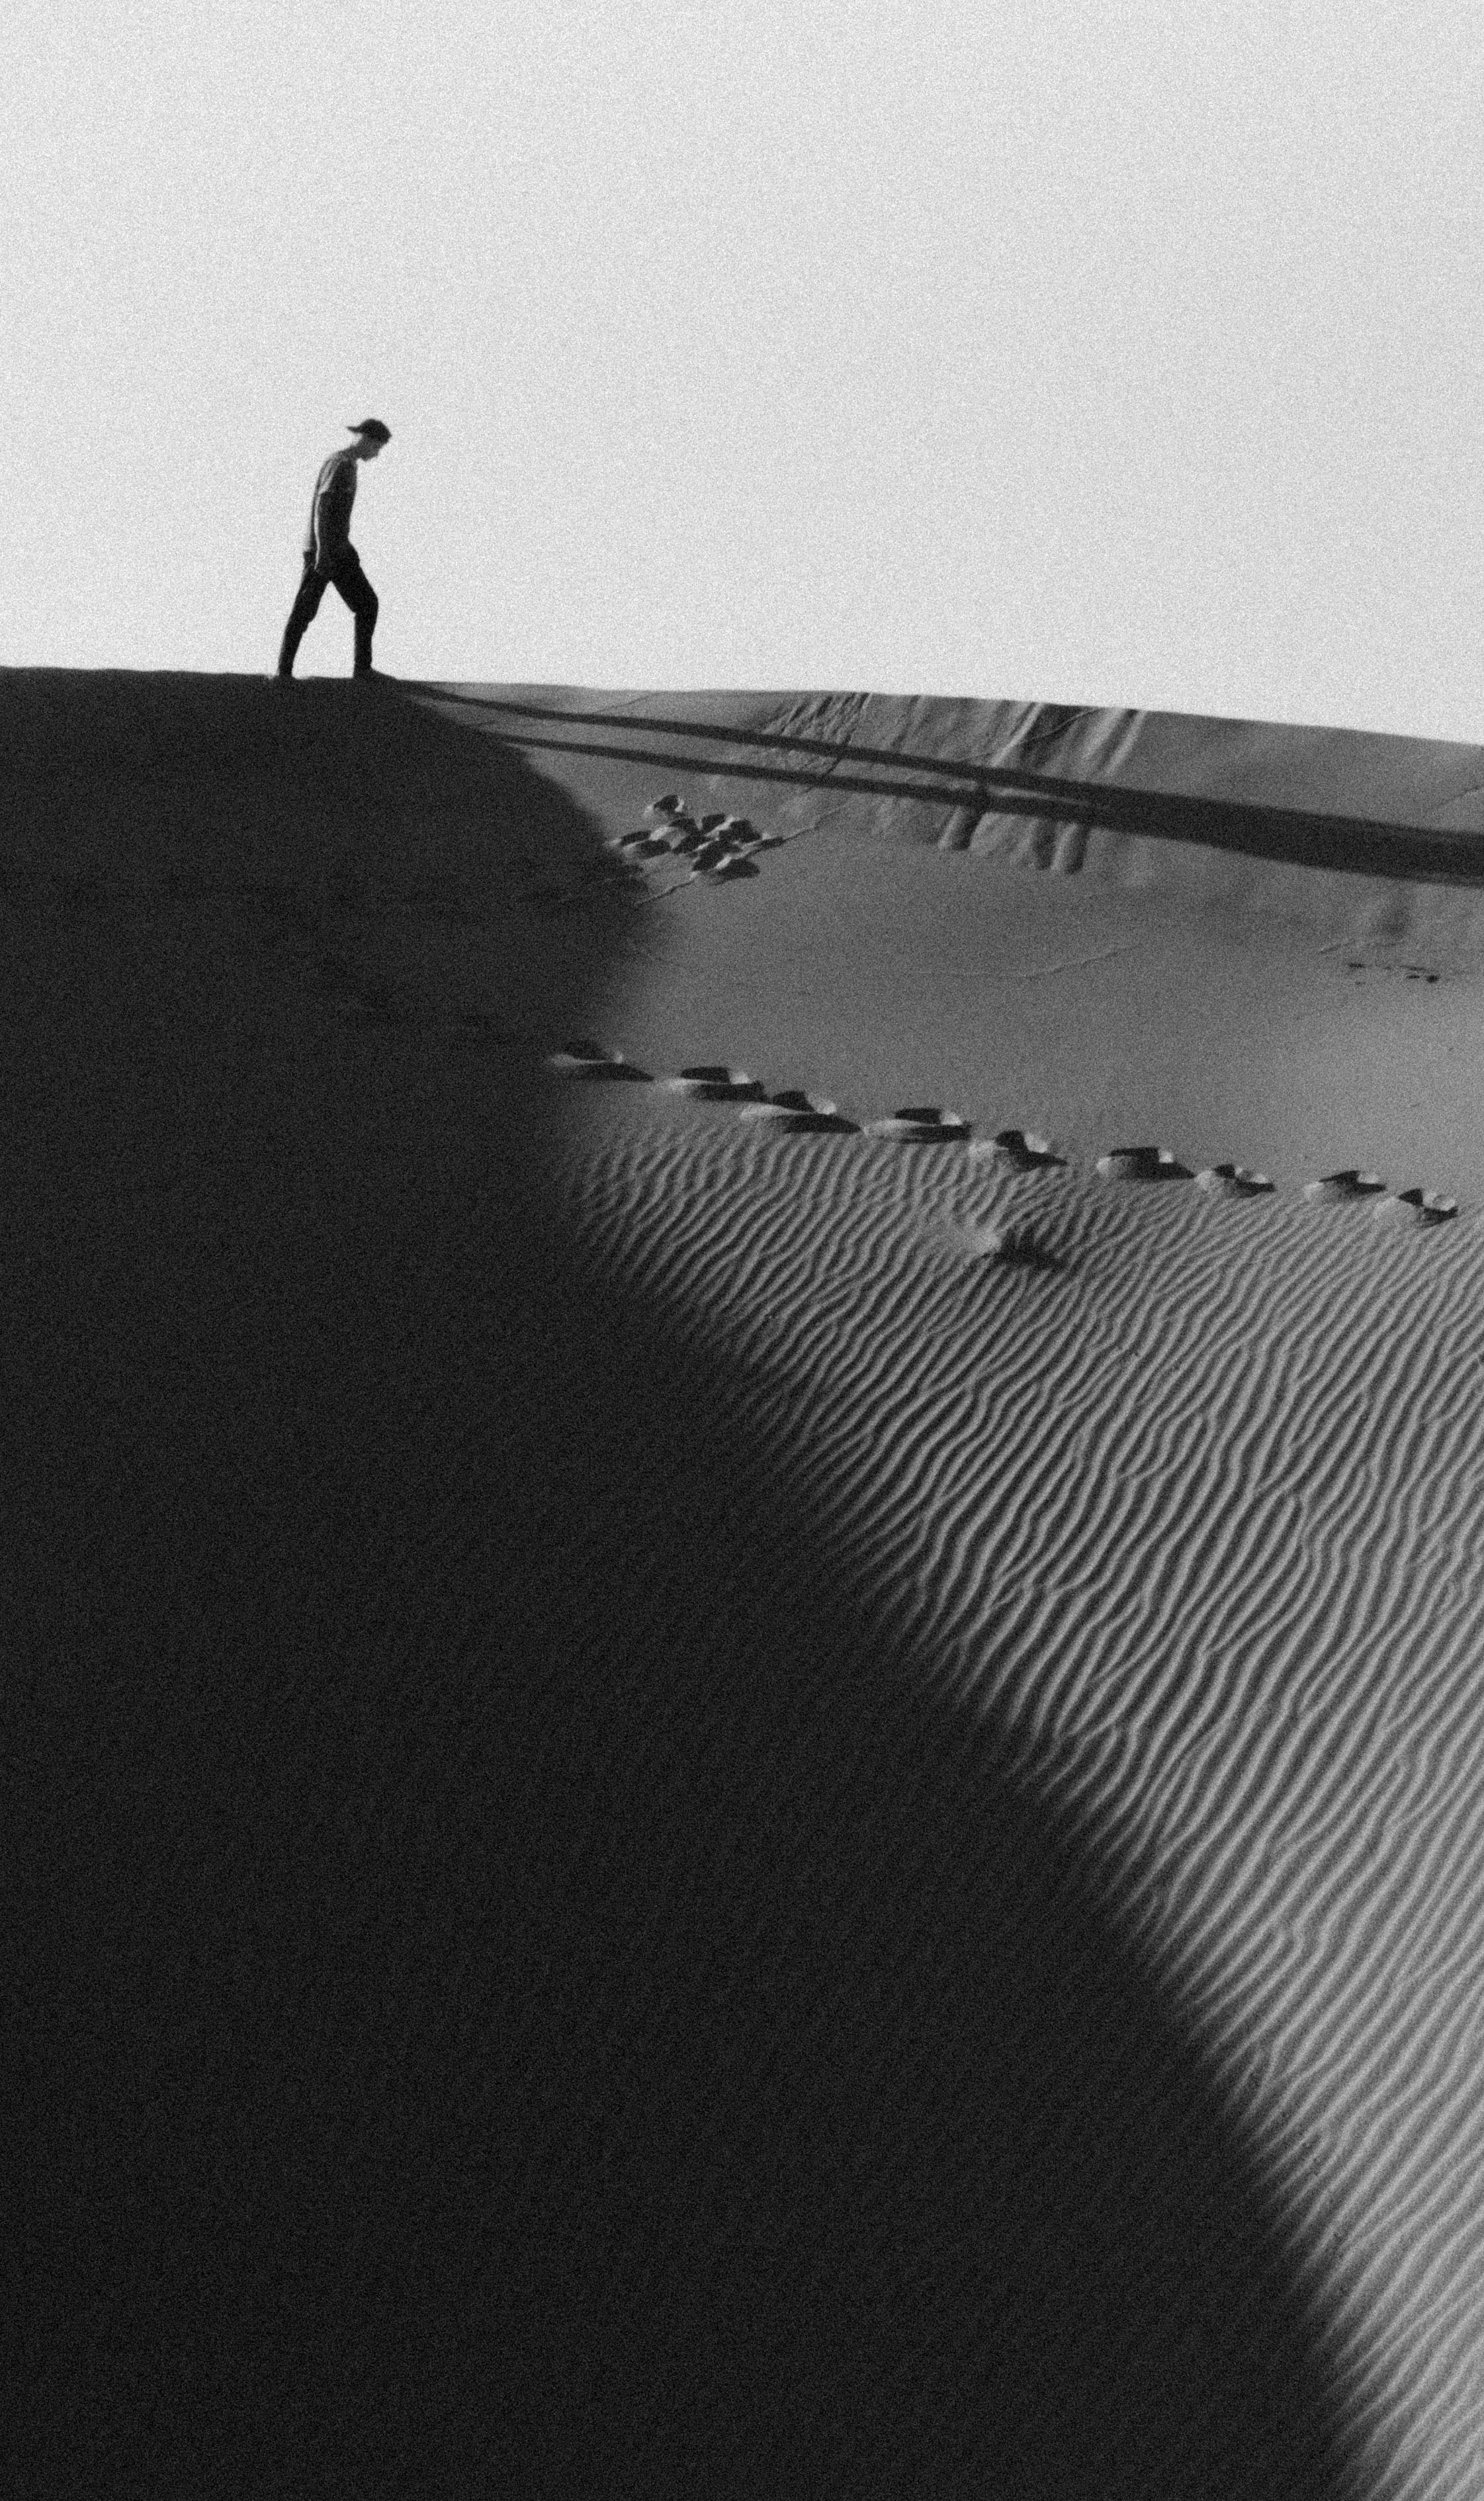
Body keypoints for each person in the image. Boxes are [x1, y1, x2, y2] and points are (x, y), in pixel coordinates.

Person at [277, 420, 390, 678]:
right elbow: (322, 506)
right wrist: (322, 552)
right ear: (366, 439)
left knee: (367, 604)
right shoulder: (339, 464)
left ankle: (363, 669)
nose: (377, 453)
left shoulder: (349, 466)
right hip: (324, 551)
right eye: (378, 446)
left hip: (340, 550)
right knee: (304, 610)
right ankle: (283, 673)